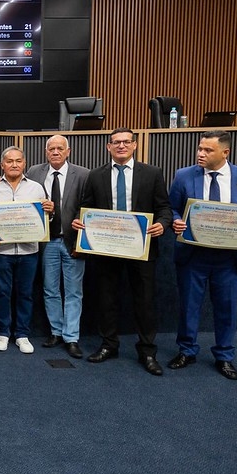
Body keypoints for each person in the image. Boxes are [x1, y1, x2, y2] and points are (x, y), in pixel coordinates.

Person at [168, 130, 237, 380]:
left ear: (225, 152)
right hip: (194, 255)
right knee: (189, 306)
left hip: (229, 258)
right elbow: (172, 207)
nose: (200, 154)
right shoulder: (183, 175)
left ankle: (224, 356)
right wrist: (176, 220)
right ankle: (187, 350)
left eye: (207, 150)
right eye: (200, 149)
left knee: (227, 308)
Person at [72, 128, 172, 376]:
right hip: (106, 248)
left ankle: (147, 351)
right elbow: (86, 207)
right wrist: (78, 220)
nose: (121, 146)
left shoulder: (152, 173)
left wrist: (163, 223)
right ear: (108, 147)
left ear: (135, 145)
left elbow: (164, 208)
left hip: (141, 248)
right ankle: (109, 345)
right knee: (107, 299)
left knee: (145, 301)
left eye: (126, 142)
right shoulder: (95, 176)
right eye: (116, 143)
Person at [0, 147, 53, 354]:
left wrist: (51, 211)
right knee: (2, 293)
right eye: (9, 161)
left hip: (29, 251)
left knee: (25, 294)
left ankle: (22, 334)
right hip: (0, 252)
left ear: (24, 164)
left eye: (18, 161)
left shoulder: (37, 188)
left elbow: (44, 218)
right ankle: (3, 333)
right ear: (2, 165)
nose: (14, 165)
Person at [26, 135, 90, 359]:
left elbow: (89, 207)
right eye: (51, 148)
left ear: (68, 151)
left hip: (72, 240)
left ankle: (71, 337)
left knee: (73, 292)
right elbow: (17, 189)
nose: (55, 152)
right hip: (47, 242)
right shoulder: (34, 172)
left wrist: (81, 236)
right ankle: (56, 332)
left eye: (59, 148)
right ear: (46, 152)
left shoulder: (83, 174)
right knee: (50, 290)